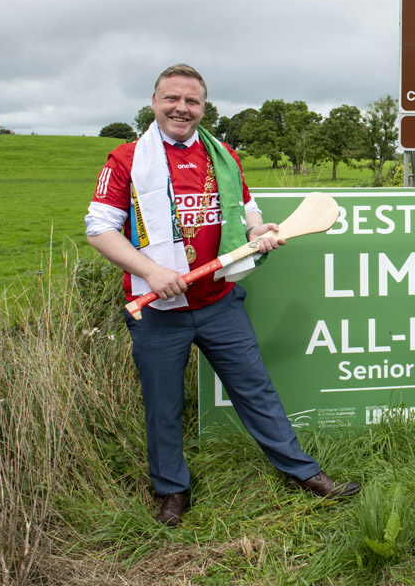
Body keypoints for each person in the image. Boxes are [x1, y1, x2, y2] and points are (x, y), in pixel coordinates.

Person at [86, 64, 360, 527]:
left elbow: (247, 211)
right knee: (163, 404)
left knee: (256, 391)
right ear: (154, 103)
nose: (181, 108)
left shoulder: (224, 158)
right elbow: (99, 229)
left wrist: (259, 229)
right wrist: (152, 270)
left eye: (192, 101)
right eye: (172, 98)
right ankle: (172, 490)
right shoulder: (126, 160)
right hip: (158, 311)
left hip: (218, 303)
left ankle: (302, 474)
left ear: (203, 108)